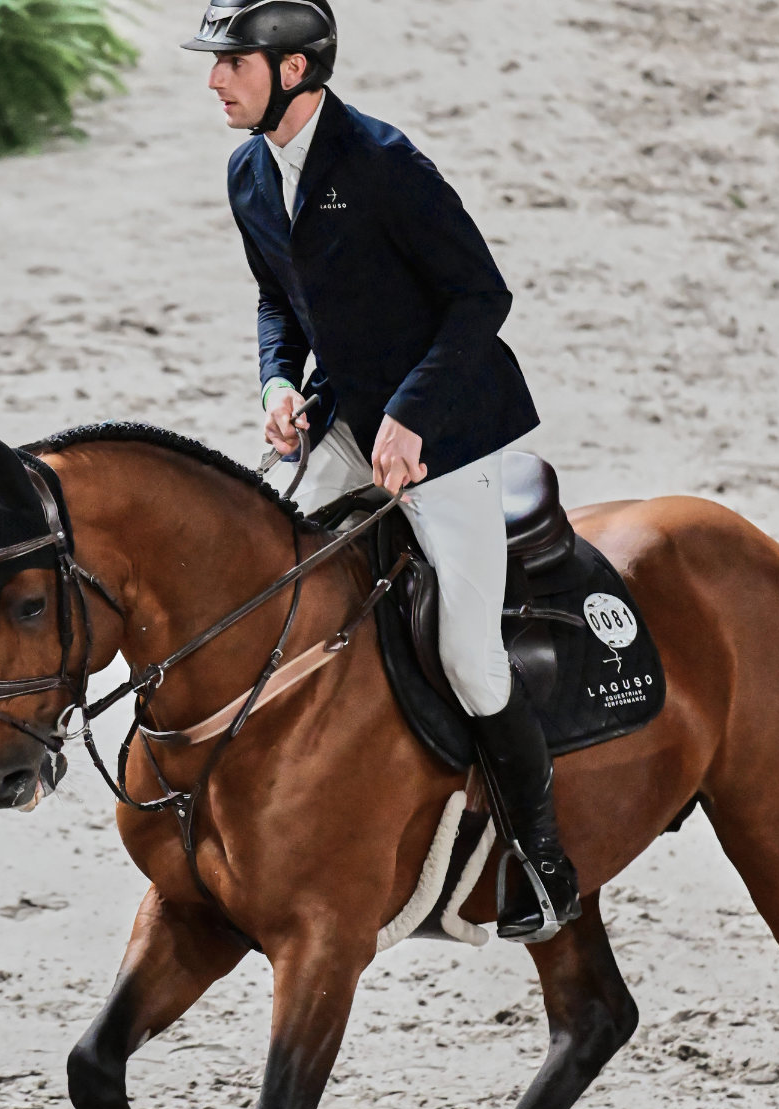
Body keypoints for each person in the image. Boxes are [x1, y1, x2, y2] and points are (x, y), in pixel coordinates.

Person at [182, 0, 581, 941]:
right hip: (343, 422)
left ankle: (542, 856)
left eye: (233, 62)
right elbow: (276, 298)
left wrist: (412, 416)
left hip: (447, 433)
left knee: (469, 654)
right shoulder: (248, 172)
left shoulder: (386, 165)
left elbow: (481, 296)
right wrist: (278, 381)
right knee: (274, 587)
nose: (214, 80)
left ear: (294, 70)